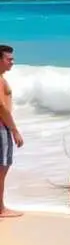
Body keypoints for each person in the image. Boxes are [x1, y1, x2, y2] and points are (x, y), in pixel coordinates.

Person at [0, 44, 24, 218]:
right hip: (1, 127)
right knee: (2, 168)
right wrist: (14, 130)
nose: (13, 62)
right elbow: (1, 107)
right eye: (9, 59)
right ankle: (1, 208)